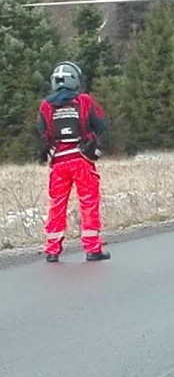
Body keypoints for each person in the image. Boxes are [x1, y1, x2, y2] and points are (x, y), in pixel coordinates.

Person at [37, 61, 111, 262]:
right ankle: (92, 249)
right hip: (82, 160)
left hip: (58, 163)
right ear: (75, 80)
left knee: (56, 205)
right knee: (88, 203)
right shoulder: (84, 100)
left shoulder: (45, 105)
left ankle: (52, 250)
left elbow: (43, 133)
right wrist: (93, 139)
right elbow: (101, 124)